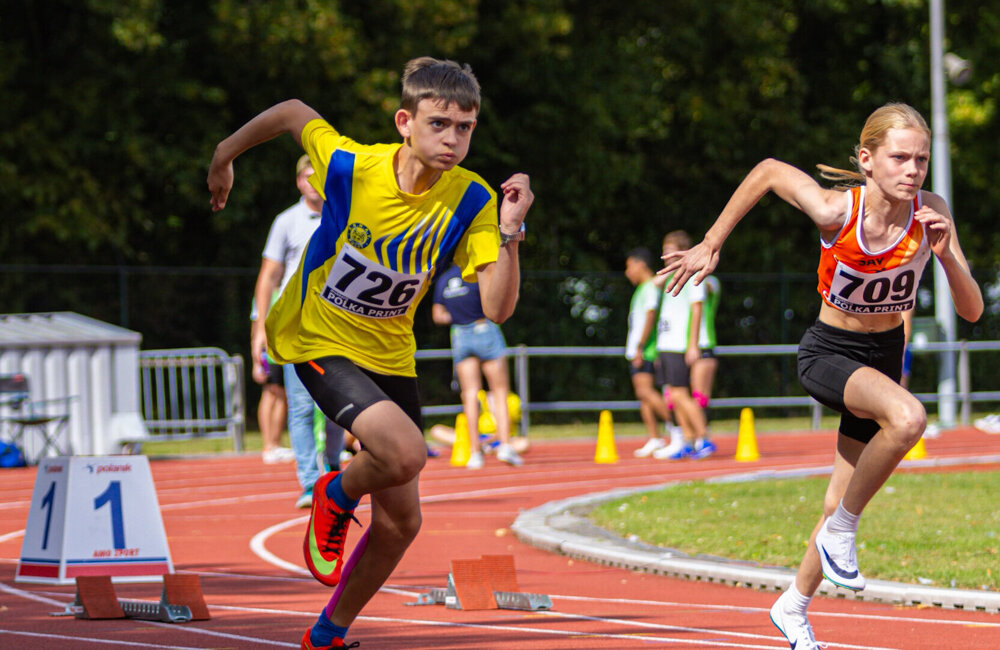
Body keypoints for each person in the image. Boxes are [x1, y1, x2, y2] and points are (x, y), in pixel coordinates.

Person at [207, 57, 532, 650]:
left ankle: (326, 634)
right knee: (407, 453)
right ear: (405, 121)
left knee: (402, 521)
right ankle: (334, 492)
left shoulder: (474, 198)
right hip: (316, 337)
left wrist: (510, 230)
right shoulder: (351, 164)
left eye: (466, 128)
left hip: (390, 354)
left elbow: (497, 308)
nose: (454, 140)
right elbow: (289, 113)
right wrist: (223, 157)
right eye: (440, 124)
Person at [661, 103, 982, 650]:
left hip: (882, 354)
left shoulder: (931, 211)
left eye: (921, 160)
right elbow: (766, 170)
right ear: (867, 160)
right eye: (899, 158)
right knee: (909, 418)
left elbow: (972, 311)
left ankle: (794, 605)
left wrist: (948, 256)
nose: (912, 170)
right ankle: (843, 533)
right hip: (830, 352)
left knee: (838, 500)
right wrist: (713, 241)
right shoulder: (836, 210)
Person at [251, 154, 346, 509]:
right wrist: (259, 329)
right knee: (302, 407)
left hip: (336, 324)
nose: (313, 181)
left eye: (318, 175)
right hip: (295, 326)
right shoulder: (286, 222)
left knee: (336, 403)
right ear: (298, 181)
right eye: (307, 175)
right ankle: (309, 482)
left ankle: (334, 466)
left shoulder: (344, 214)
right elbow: (268, 277)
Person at [432, 264, 523, 468]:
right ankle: (505, 446)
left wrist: (458, 317)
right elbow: (498, 303)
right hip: (484, 328)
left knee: (470, 394)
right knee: (500, 392)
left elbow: (438, 315)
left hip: (460, 335)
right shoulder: (482, 273)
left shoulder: (444, 278)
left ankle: (474, 453)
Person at [654, 231, 715, 460]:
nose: (666, 255)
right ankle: (688, 439)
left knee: (680, 395)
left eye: (670, 250)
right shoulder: (671, 277)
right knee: (673, 395)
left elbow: (697, 308)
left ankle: (703, 436)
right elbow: (654, 283)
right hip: (667, 344)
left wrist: (692, 345)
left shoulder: (693, 276)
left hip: (679, 344)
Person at [623, 247, 676, 457]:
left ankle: (678, 425)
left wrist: (641, 346)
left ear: (640, 264)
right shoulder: (642, 288)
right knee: (642, 396)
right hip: (637, 349)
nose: (627, 272)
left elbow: (650, 315)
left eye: (629, 267)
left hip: (645, 350)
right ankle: (655, 437)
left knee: (646, 392)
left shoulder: (650, 288)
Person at [251, 339, 292, 464]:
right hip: (270, 347)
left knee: (279, 394)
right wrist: (256, 359)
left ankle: (275, 444)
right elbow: (257, 326)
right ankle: (270, 445)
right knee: (272, 392)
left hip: (277, 345)